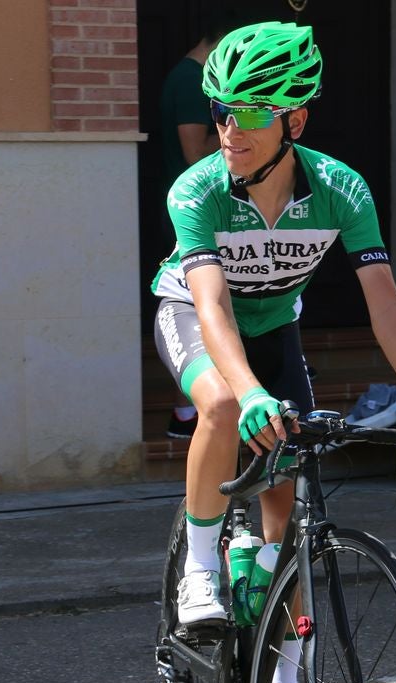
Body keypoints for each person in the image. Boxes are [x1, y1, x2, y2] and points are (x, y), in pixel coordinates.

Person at [150, 21, 396, 683]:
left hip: (275, 330)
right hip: (197, 319)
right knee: (227, 406)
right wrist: (250, 393)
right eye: (222, 111)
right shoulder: (197, 190)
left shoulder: (340, 190)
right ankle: (201, 569)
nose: (230, 129)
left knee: (289, 518)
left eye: (252, 112)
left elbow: (385, 303)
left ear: (295, 118)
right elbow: (210, 307)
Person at [158, 13, 226, 439]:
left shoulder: (190, 76)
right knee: (202, 310)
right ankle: (186, 411)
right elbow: (192, 152)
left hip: (203, 212)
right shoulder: (189, 80)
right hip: (193, 213)